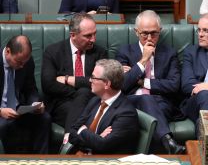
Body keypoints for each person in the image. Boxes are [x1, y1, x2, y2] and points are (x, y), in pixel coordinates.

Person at [116, 10, 185, 154]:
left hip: (161, 102)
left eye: (154, 33)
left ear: (160, 31)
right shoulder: (124, 52)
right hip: (131, 101)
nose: (149, 38)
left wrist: (141, 81)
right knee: (145, 100)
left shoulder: (169, 53)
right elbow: (121, 86)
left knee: (149, 102)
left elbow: (173, 85)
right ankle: (168, 142)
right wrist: (143, 60)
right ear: (136, 32)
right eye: (144, 33)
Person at [41, 13, 107, 142]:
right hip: (62, 103)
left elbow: (102, 82)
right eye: (88, 36)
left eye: (95, 34)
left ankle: (68, 140)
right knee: (83, 97)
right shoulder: (53, 51)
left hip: (92, 103)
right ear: (73, 35)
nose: (93, 39)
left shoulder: (100, 53)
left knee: (86, 99)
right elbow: (48, 85)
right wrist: (81, 90)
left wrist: (70, 80)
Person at [68, 59, 139, 154]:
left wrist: (82, 130)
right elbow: (72, 133)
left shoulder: (126, 113)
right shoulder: (95, 101)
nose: (90, 80)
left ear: (106, 84)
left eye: (93, 77)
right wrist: (96, 138)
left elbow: (103, 146)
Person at [0, 35, 50, 153]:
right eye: (19, 62)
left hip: (18, 109)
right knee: (4, 126)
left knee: (44, 119)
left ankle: (40, 161)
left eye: (24, 62)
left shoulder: (26, 61)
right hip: (1, 111)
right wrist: (1, 111)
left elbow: (30, 88)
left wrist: (35, 103)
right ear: (8, 51)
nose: (22, 66)